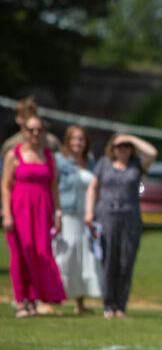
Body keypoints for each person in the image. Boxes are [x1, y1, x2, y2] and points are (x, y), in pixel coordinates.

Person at [85, 132, 158, 318]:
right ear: (112, 148)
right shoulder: (103, 163)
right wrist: (89, 211)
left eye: (126, 146)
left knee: (126, 261)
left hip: (130, 217)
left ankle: (120, 305)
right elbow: (93, 187)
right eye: (119, 146)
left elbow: (152, 152)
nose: (123, 149)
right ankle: (108, 305)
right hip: (106, 216)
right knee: (109, 261)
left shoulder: (136, 165)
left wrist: (131, 138)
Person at [2, 115, 65, 317]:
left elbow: (54, 186)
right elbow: (5, 186)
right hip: (20, 208)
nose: (35, 133)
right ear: (24, 131)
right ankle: (21, 301)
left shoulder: (48, 155)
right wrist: (7, 213)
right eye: (31, 130)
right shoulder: (14, 155)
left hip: (43, 209)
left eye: (39, 130)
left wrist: (58, 211)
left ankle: (36, 299)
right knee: (20, 254)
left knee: (41, 253)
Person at [53, 125, 102, 313]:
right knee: (64, 256)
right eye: (74, 139)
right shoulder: (60, 160)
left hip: (85, 216)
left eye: (81, 139)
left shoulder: (90, 161)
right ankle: (52, 299)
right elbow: (53, 187)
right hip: (67, 213)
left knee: (83, 258)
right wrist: (56, 212)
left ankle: (80, 304)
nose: (77, 142)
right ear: (67, 141)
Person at [1, 96, 62, 162]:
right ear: (17, 118)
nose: (28, 121)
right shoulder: (10, 145)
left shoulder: (51, 142)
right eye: (24, 117)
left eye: (31, 115)